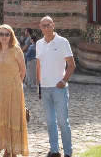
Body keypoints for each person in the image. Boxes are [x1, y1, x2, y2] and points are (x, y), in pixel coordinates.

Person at [36, 16, 75, 157]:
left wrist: (64, 81)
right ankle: (54, 150)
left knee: (63, 122)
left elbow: (71, 65)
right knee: (50, 122)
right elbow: (39, 65)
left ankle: (68, 152)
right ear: (40, 27)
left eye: (48, 25)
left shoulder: (63, 42)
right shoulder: (39, 43)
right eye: (43, 26)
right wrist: (38, 85)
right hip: (45, 88)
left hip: (59, 89)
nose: (46, 28)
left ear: (53, 25)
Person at [0, 24, 29, 156]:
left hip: (14, 88)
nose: (4, 37)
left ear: (11, 36)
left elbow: (23, 71)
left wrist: (16, 84)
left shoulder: (16, 50)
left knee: (14, 116)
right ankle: (6, 147)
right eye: (1, 34)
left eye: (7, 34)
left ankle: (13, 149)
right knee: (2, 116)